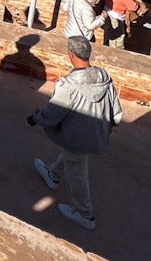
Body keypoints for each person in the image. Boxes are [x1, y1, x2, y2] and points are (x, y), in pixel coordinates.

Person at [28, 35, 123, 231]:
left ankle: (85, 214)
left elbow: (52, 114)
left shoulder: (68, 85)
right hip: (96, 135)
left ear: (71, 54)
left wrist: (35, 118)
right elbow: (117, 114)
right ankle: (53, 175)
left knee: (77, 173)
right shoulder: (104, 78)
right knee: (74, 158)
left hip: (76, 138)